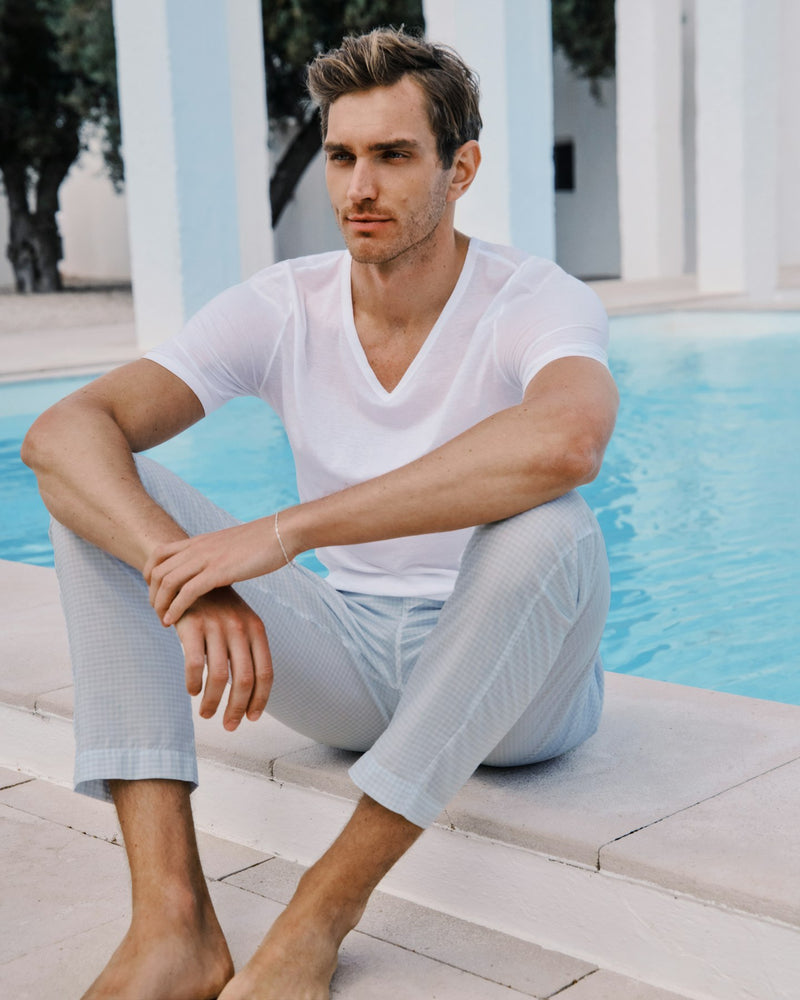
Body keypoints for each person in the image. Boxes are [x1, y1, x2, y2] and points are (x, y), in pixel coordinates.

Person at [22, 26, 618, 1000]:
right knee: (92, 494)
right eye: (341, 156)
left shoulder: (529, 298)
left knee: (550, 522)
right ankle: (170, 922)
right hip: (345, 654)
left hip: (519, 697)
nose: (357, 187)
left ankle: (319, 911)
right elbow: (62, 430)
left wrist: (283, 533)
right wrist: (184, 570)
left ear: (459, 167)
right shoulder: (285, 302)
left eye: (392, 155)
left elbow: (565, 440)